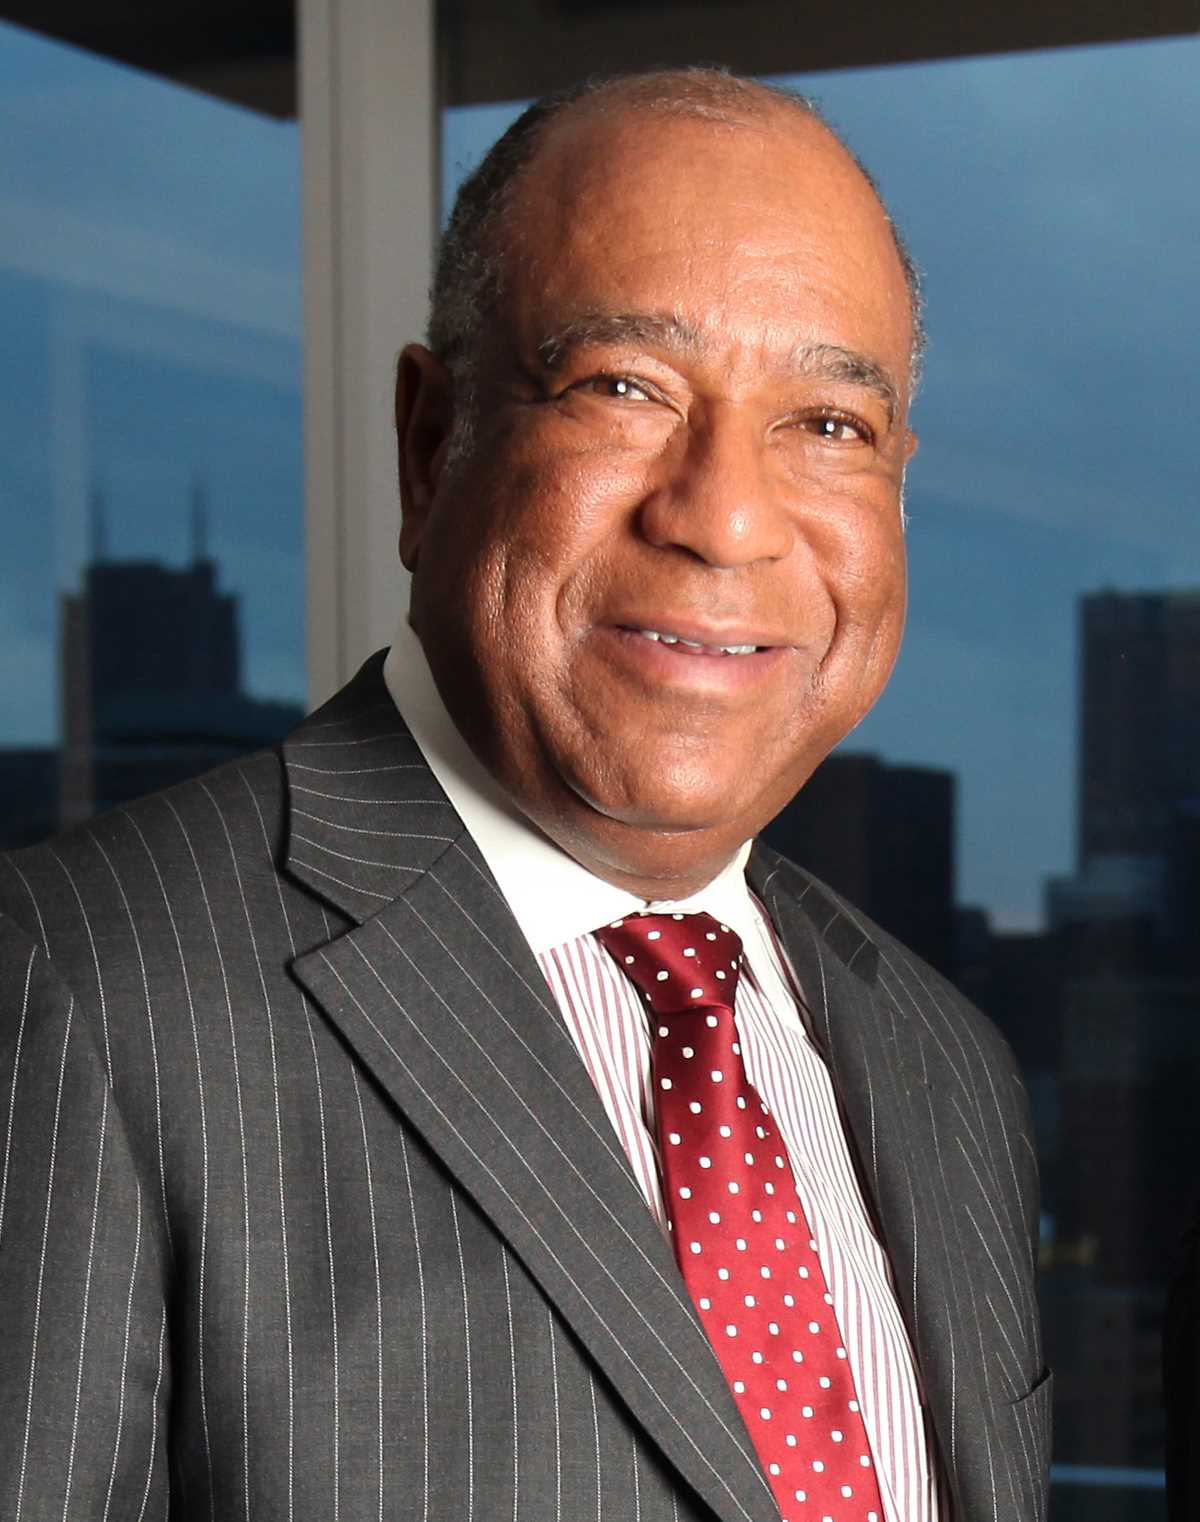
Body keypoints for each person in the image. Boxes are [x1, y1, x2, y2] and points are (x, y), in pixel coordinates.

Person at [0, 68, 1048, 1522]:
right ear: (431, 445)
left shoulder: (948, 1068)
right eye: (625, 388)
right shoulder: (75, 988)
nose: (723, 519)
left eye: (826, 423)